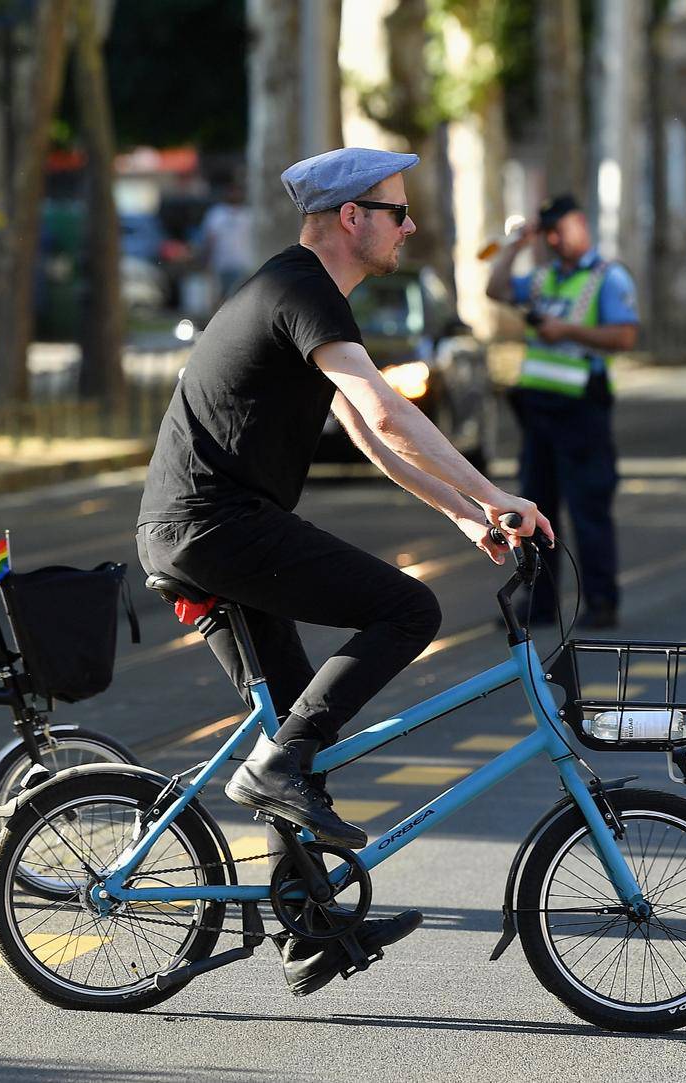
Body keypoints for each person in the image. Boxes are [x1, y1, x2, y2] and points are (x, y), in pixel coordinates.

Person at [136, 147, 552, 995]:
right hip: (213, 528)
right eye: (396, 211)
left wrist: (464, 515)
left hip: (214, 528)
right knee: (407, 609)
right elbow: (385, 409)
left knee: (296, 729)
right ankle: (280, 776)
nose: (410, 225)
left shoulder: (308, 298)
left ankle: (308, 926)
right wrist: (493, 488)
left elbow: (368, 436)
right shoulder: (300, 289)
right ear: (351, 218)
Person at [485, 193, 638, 628]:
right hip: (538, 412)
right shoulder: (542, 278)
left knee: (589, 507)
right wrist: (516, 243)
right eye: (547, 232)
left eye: (561, 229)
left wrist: (567, 330)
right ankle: (540, 604)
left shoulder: (608, 278)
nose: (554, 239)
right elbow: (495, 289)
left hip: (582, 411)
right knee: (535, 511)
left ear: (582, 225)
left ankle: (602, 602)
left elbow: (625, 336)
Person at [199, 181, 254, 309]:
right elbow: (209, 239)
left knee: (239, 296)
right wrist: (206, 260)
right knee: (220, 296)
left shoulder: (248, 214)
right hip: (221, 263)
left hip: (242, 262)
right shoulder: (216, 214)